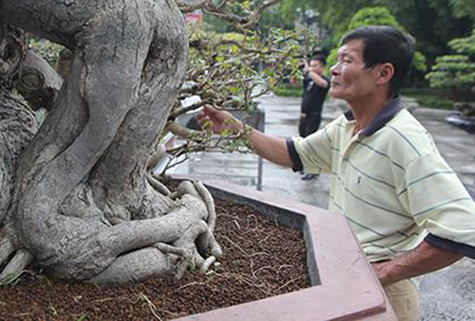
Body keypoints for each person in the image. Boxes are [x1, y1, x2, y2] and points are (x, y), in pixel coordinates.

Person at [198, 26, 475, 321]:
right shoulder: (346, 127)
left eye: (346, 60)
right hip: (349, 280)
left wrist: (385, 271)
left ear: (383, 73)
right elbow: (293, 153)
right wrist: (234, 126)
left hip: (386, 295)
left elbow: (463, 228)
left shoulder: (404, 140)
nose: (334, 68)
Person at [298, 54, 330, 180]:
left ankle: (314, 171)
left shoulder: (324, 80)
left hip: (314, 115)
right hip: (303, 115)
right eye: (311, 65)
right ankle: (306, 167)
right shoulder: (309, 80)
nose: (311, 68)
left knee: (311, 144)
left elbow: (322, 84)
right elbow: (296, 83)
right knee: (302, 142)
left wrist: (308, 70)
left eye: (315, 66)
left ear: (322, 68)